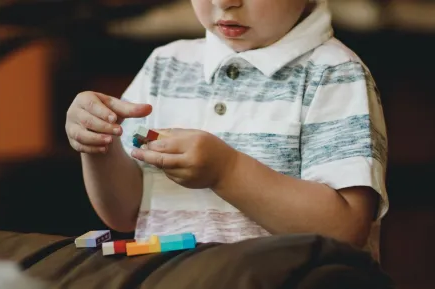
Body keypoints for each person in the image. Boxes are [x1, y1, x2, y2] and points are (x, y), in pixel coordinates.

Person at [65, 0, 388, 261]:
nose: (225, 3)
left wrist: (227, 171)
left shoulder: (334, 74)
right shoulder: (165, 65)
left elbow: (345, 229)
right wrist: (99, 144)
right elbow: (126, 213)